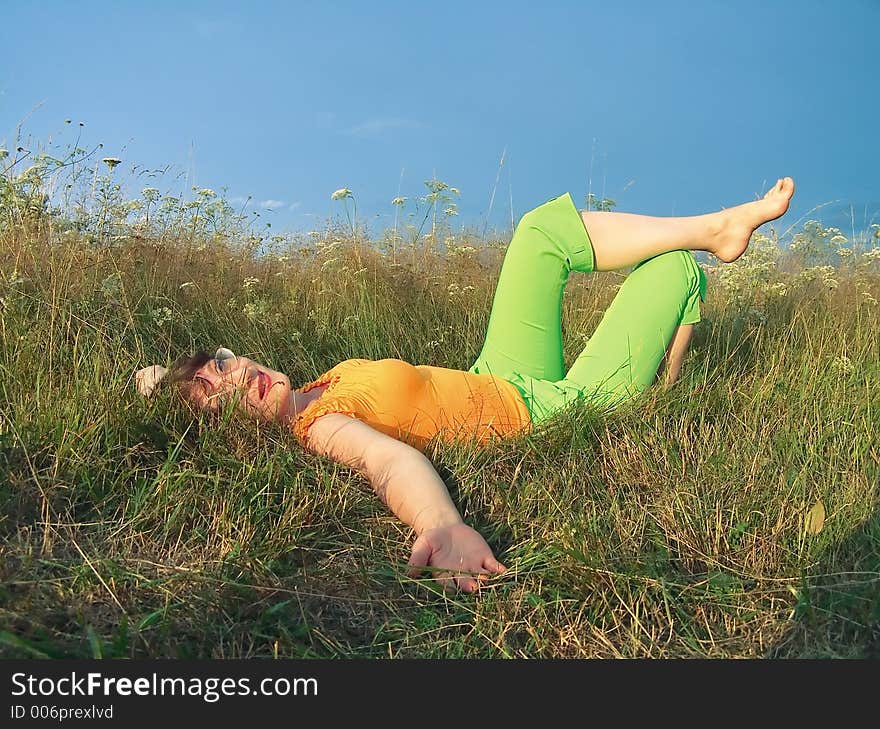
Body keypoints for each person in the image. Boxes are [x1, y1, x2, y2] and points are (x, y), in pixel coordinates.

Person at [136, 177, 795, 593]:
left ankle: (717, 229)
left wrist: (156, 378)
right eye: (213, 393)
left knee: (539, 231)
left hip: (498, 371)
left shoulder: (320, 383)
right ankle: (663, 372)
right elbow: (389, 460)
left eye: (219, 363)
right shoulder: (318, 426)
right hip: (545, 409)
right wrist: (442, 524)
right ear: (234, 431)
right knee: (674, 270)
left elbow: (181, 374)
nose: (229, 378)